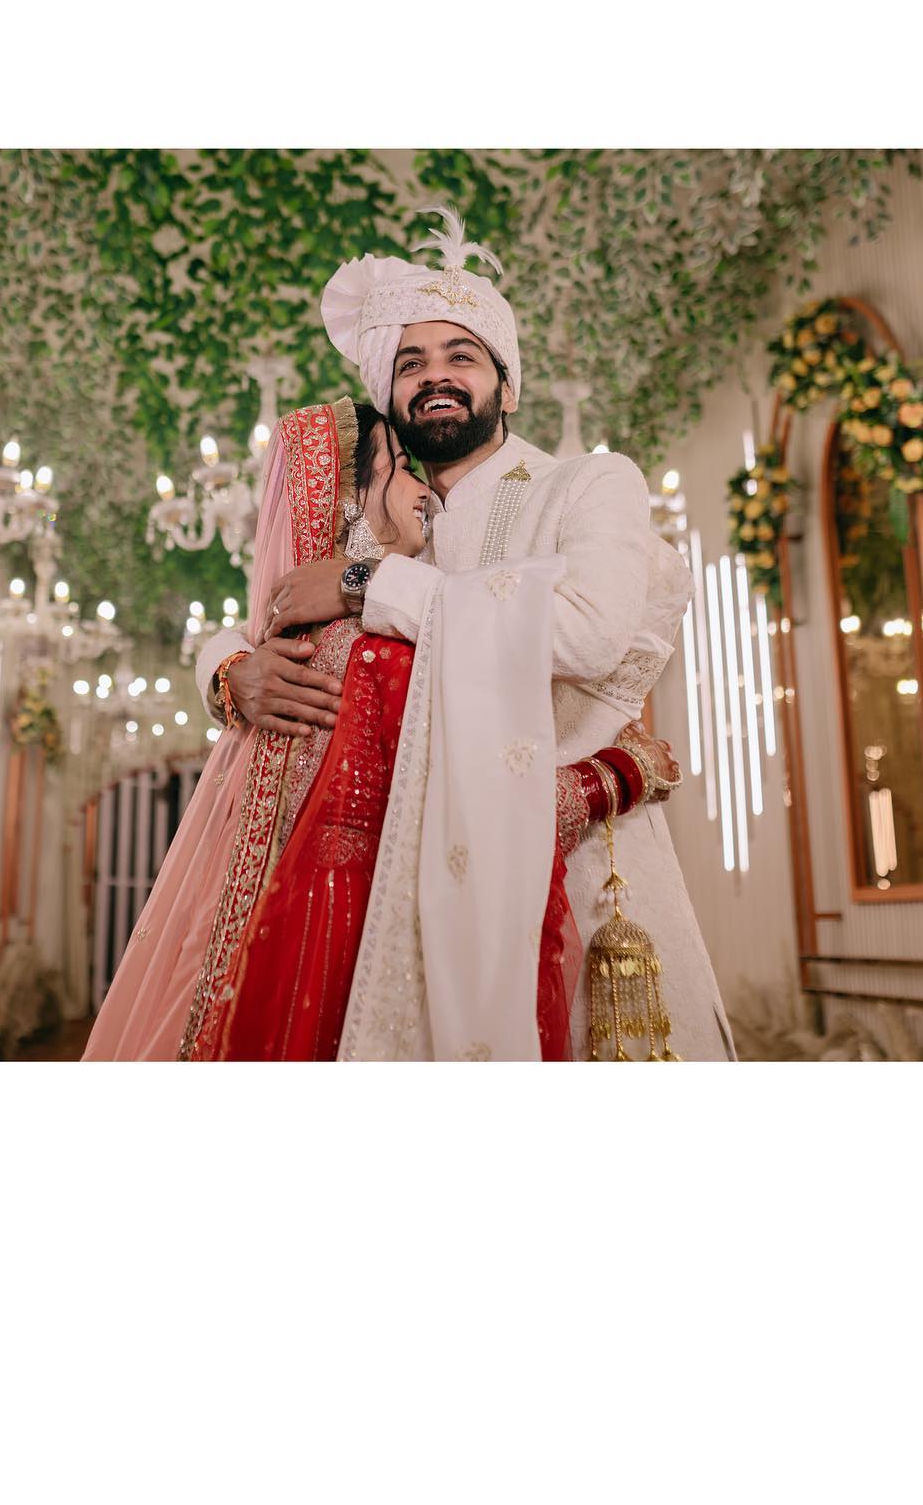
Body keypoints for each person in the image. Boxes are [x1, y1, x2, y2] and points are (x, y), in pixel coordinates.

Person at [198, 208, 735, 1061]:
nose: (435, 377)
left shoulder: (587, 487)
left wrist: (368, 586)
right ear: (389, 395)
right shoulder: (378, 527)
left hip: (575, 882)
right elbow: (260, 615)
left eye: (462, 356)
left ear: (505, 385)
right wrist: (229, 672)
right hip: (393, 897)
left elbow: (587, 631)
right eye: (411, 364)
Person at [84, 394, 679, 1062]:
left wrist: (233, 661)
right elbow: (491, 799)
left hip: (330, 926)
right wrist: (619, 773)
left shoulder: (318, 638)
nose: (424, 486)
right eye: (400, 468)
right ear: (346, 501)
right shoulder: (372, 654)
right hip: (363, 942)